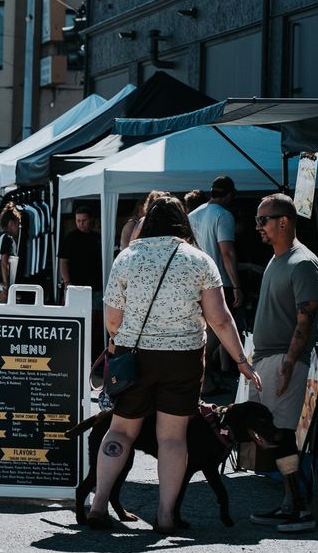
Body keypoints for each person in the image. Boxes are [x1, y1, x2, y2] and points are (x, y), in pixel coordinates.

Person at [89, 196, 259, 534]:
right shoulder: (199, 260)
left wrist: (118, 339)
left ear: (148, 222)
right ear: (184, 223)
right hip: (183, 359)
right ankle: (165, 517)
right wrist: (241, 361)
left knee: (121, 430)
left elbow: (112, 320)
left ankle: (97, 505)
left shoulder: (127, 258)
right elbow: (221, 320)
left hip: (134, 357)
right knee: (172, 438)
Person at [247, 193, 318, 533]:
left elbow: (305, 317)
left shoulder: (303, 262)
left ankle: (298, 506)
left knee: (282, 435)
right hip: (268, 358)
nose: (258, 227)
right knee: (274, 435)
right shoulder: (278, 259)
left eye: (263, 220)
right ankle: (289, 502)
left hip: (283, 361)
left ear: (284, 221)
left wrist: (289, 364)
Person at [189, 176, 244, 391]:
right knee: (220, 331)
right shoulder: (223, 215)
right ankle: (202, 376)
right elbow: (227, 252)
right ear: (230, 194)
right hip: (219, 281)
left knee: (205, 331)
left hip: (194, 283)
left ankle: (206, 379)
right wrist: (237, 285)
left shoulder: (192, 214)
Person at [58, 203, 103, 355]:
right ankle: (74, 353)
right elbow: (63, 261)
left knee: (96, 324)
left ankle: (94, 355)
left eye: (84, 220)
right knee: (75, 320)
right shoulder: (70, 238)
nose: (81, 223)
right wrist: (67, 282)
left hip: (96, 287)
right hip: (75, 287)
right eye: (78, 221)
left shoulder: (99, 238)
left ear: (91, 220)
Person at [0, 205, 21, 302]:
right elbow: (4, 263)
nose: (19, 227)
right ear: (11, 223)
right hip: (0, 289)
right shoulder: (7, 238)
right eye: (18, 224)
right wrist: (6, 288)